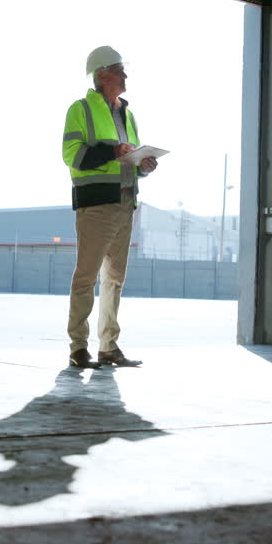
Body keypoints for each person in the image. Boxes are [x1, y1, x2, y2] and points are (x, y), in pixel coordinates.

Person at [62, 46, 159, 368]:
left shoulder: (127, 114)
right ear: (103, 74)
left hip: (125, 203)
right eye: (120, 70)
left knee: (115, 280)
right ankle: (78, 347)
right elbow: (72, 156)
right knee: (87, 277)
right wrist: (113, 151)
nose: (125, 75)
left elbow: (126, 158)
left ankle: (108, 347)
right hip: (97, 205)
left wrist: (144, 164)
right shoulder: (81, 109)